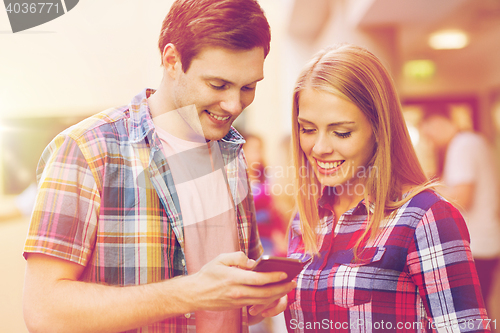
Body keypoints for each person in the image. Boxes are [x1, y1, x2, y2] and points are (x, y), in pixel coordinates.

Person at [22, 1, 296, 333]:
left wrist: (256, 300)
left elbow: (232, 297)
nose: (233, 105)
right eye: (218, 85)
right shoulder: (87, 150)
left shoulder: (233, 155)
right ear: (171, 60)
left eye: (248, 87)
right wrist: (189, 293)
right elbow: (44, 313)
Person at [285, 44, 490, 332]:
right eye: (307, 129)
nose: (319, 148)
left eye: (341, 132)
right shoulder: (306, 217)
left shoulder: (424, 217)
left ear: (379, 129)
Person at [420, 113, 500, 313]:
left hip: (476, 244)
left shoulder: (462, 145)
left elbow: (463, 199)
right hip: (486, 240)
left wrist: (427, 189)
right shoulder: (473, 140)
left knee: (471, 311)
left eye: (428, 135)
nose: (431, 142)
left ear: (436, 121)